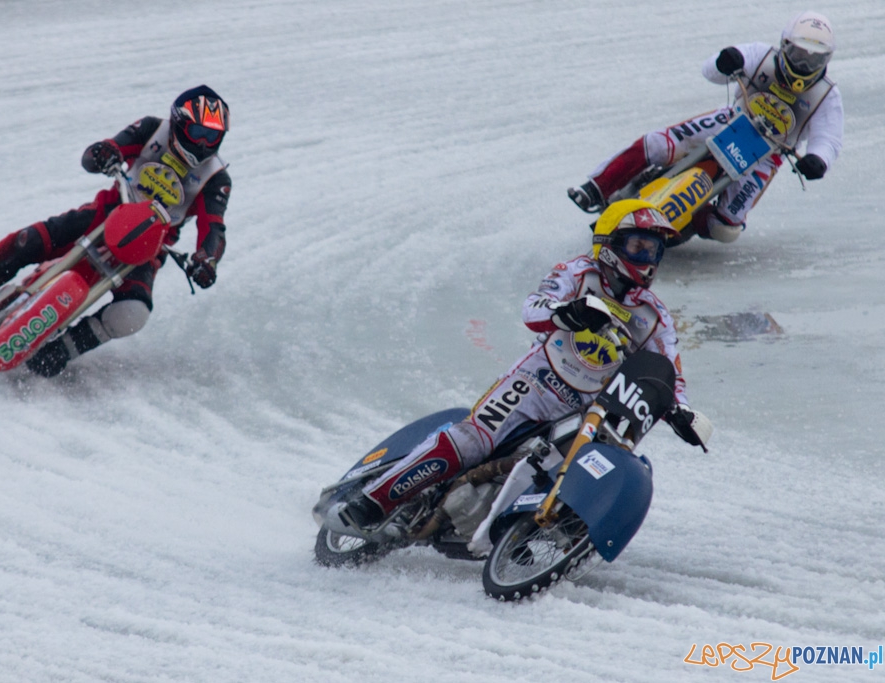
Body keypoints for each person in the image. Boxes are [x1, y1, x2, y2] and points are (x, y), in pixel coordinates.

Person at [329, 200, 712, 533]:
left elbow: (669, 372)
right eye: (639, 246)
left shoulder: (654, 316)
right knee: (471, 440)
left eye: (655, 250)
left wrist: (681, 411)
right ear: (610, 244)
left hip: (586, 410)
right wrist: (567, 312)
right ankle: (371, 502)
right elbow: (533, 308)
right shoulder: (577, 273)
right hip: (534, 383)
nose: (649, 259)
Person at [0, 85, 232, 377]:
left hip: (147, 249)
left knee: (132, 313)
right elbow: (105, 149)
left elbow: (213, 228)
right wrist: (104, 153)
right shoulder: (153, 129)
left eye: (212, 136)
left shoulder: (215, 179)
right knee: (24, 242)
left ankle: (60, 352)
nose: (204, 143)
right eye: (198, 132)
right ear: (178, 123)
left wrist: (207, 260)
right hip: (105, 215)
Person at [568, 11, 843, 243]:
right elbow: (711, 69)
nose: (804, 65)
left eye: (814, 60)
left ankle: (687, 218)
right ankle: (596, 187)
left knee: (726, 228)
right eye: (798, 55)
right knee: (658, 144)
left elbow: (828, 138)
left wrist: (818, 160)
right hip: (730, 121)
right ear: (784, 45)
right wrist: (726, 60)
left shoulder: (826, 96)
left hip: (768, 154)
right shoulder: (761, 56)